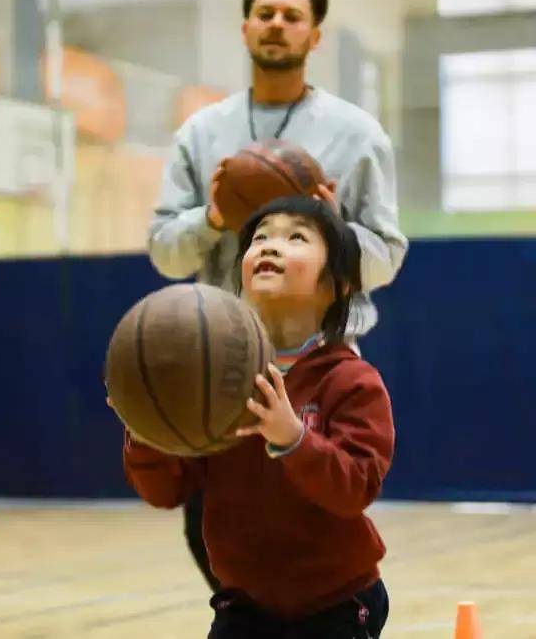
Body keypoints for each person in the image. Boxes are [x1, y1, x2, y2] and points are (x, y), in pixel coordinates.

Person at [148, 0, 407, 591]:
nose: (277, 24)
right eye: (265, 13)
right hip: (223, 352)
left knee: (314, 505)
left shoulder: (357, 134)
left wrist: (327, 227)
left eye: (292, 16)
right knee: (218, 517)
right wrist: (215, 217)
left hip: (317, 351)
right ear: (245, 28)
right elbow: (164, 252)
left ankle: (327, 612)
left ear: (315, 35)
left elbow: (387, 255)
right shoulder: (202, 133)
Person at [124, 196, 394, 638]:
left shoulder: (350, 381)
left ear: (340, 283)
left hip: (337, 599)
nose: (270, 245)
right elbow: (166, 490)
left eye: (296, 237)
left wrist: (294, 439)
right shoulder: (215, 382)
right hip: (244, 604)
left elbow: (356, 488)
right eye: (260, 237)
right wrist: (147, 428)